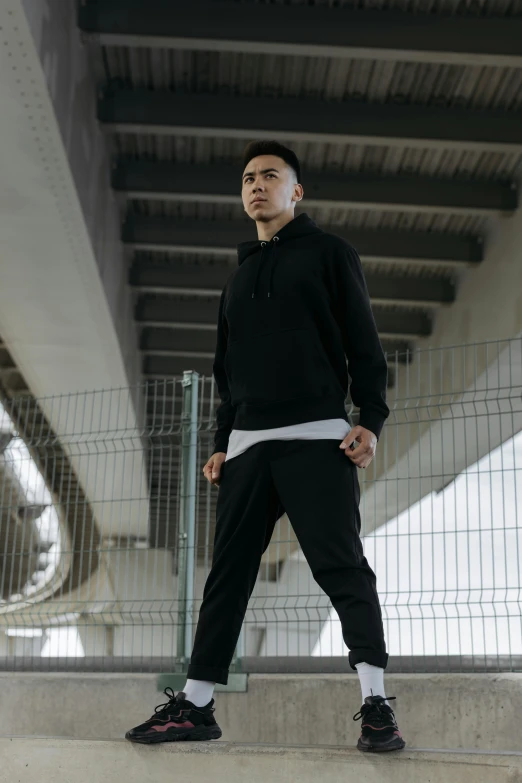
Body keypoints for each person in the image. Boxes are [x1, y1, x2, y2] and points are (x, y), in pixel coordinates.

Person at [126, 140, 405, 753]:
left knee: (342, 568)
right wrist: (224, 443)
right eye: (249, 178)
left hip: (318, 440)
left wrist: (372, 419)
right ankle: (196, 705)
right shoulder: (239, 275)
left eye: (271, 176)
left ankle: (376, 702)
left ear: (296, 191)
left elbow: (364, 342)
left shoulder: (332, 253)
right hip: (249, 447)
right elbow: (228, 372)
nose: (257, 185)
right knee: (227, 576)